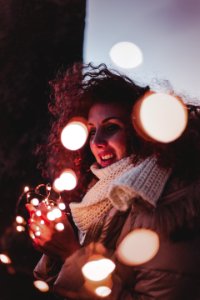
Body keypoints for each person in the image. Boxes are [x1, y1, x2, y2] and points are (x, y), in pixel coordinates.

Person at [26, 63, 200, 299]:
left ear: (141, 132)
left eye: (111, 128)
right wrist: (54, 247)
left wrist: (70, 253)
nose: (97, 141)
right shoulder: (98, 195)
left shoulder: (167, 204)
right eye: (91, 131)